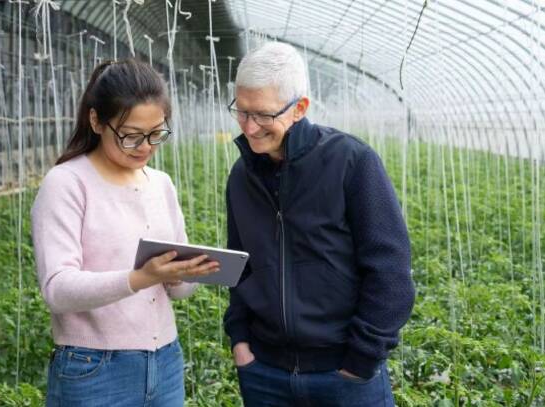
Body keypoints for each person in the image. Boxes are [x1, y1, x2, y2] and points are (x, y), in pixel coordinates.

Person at [223, 42, 415, 406]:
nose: (249, 127)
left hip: (343, 375)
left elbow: (390, 271)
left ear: (299, 108)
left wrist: (360, 361)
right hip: (265, 373)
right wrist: (241, 342)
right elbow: (239, 264)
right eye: (241, 111)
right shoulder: (241, 176)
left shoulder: (352, 162)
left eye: (263, 115)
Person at [31, 59, 219, 407]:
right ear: (96, 121)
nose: (146, 147)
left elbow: (176, 293)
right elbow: (56, 288)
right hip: (94, 368)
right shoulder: (67, 184)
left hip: (165, 362)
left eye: (156, 133)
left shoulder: (161, 184)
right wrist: (138, 278)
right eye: (131, 135)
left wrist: (187, 273)